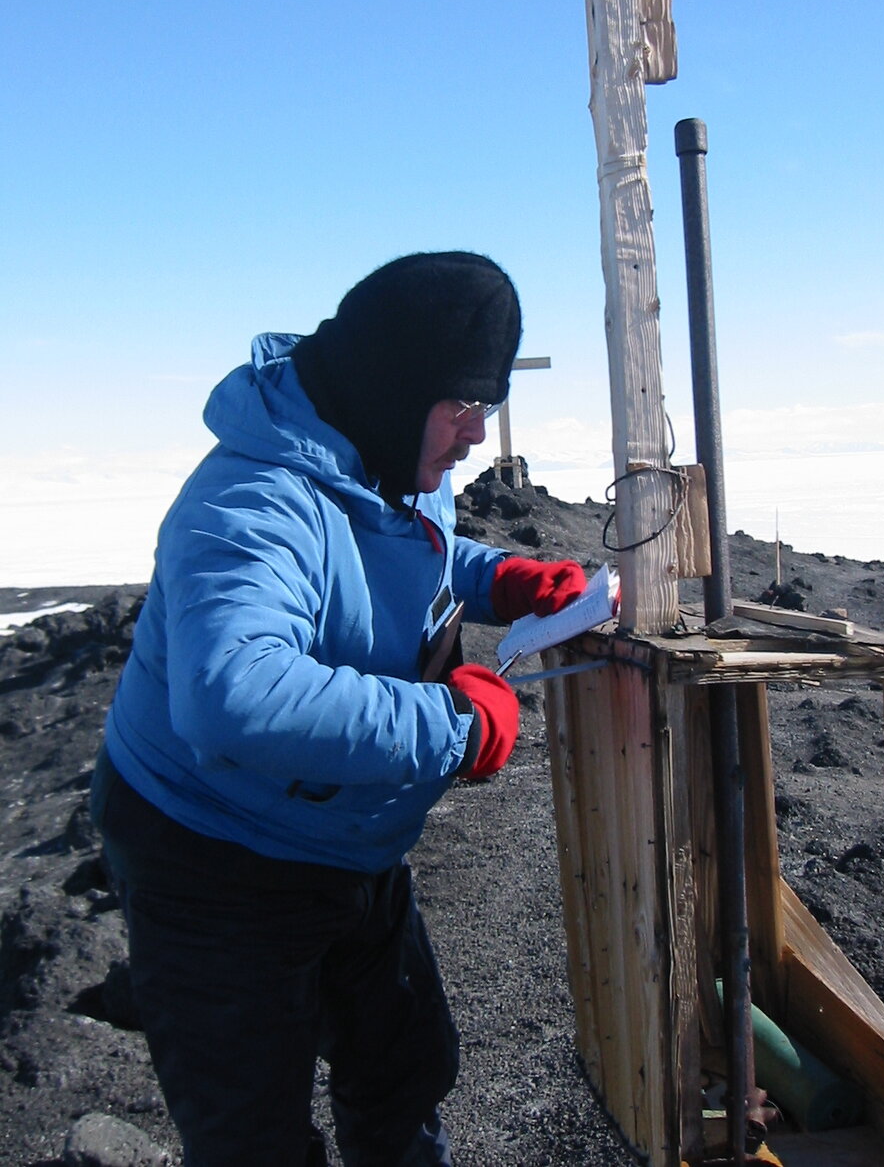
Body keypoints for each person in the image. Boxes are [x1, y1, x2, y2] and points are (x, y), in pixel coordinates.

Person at [90, 251, 587, 1167]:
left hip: (344, 835)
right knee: (254, 1136)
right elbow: (231, 692)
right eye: (465, 406)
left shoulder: (387, 441)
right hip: (208, 854)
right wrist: (457, 725)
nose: (479, 436)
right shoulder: (249, 500)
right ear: (398, 386)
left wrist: (499, 580)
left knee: (405, 1063)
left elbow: (401, 539)